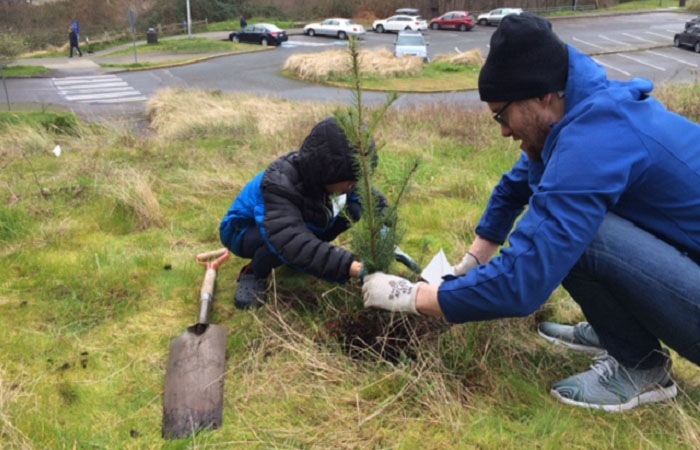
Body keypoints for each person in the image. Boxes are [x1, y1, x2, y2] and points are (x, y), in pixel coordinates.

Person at [362, 13, 700, 411]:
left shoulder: (595, 141)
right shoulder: (577, 113)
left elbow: (523, 282)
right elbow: (513, 188)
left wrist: (412, 296)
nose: (503, 130)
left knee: (583, 237)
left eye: (501, 115)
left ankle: (641, 367)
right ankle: (621, 333)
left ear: (542, 97)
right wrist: (473, 261)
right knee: (573, 226)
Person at [220, 117, 387, 309]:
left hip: (290, 225)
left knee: (354, 209)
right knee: (279, 242)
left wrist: (386, 232)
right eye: (351, 180)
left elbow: (375, 202)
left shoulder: (329, 178)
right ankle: (254, 273)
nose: (354, 185)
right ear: (329, 171)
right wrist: (352, 267)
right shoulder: (280, 184)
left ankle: (309, 255)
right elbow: (288, 239)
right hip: (243, 230)